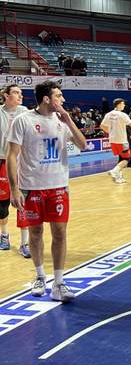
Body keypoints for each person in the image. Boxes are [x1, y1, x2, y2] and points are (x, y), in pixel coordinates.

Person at [6, 80, 87, 301]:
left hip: (58, 187)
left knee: (60, 233)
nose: (63, 99)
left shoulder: (63, 121)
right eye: (59, 96)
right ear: (46, 99)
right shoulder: (23, 121)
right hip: (31, 188)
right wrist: (14, 189)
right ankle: (40, 276)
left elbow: (84, 145)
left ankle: (59, 283)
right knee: (35, 233)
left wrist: (69, 121)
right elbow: (12, 155)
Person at [0, 85, 29, 256]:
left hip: (21, 162)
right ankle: (4, 236)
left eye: (21, 93)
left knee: (23, 203)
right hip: (2, 160)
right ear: (6, 95)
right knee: (2, 206)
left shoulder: (26, 112)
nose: (20, 96)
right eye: (16, 93)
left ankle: (24, 243)